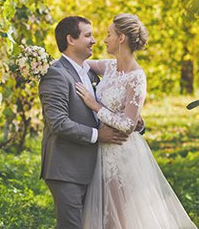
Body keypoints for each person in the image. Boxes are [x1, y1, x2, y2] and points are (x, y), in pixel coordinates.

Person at [75, 13, 197, 229]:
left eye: (108, 34)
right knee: (104, 214)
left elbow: (128, 125)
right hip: (102, 151)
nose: (104, 40)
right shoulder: (109, 67)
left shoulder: (136, 76)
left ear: (121, 38)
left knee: (117, 217)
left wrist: (95, 105)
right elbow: (79, 64)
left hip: (121, 152)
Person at [38, 16, 133, 229]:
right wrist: (98, 135)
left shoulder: (89, 72)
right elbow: (58, 122)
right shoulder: (56, 74)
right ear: (71, 39)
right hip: (67, 168)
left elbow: (102, 107)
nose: (94, 41)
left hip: (93, 167)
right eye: (88, 35)